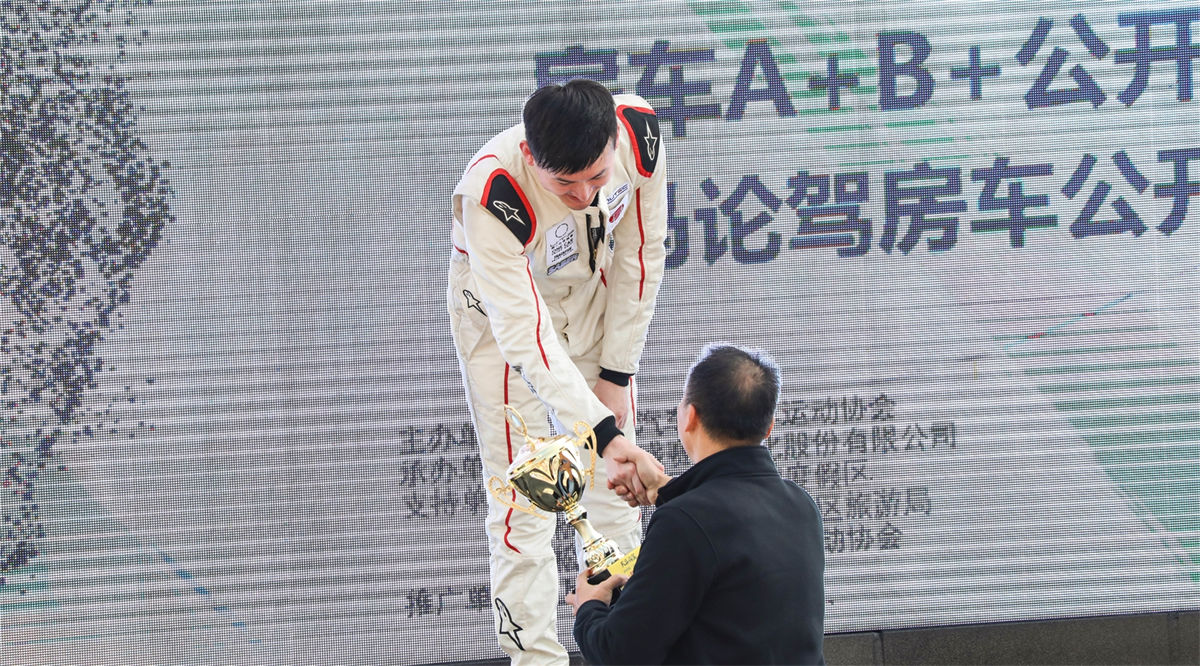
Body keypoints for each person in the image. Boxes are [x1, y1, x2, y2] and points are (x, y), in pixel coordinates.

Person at [446, 79, 669, 663]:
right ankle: (536, 658)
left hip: (589, 296)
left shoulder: (639, 134)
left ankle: (626, 647)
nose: (583, 195)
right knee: (523, 501)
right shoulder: (493, 192)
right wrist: (600, 429)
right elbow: (525, 333)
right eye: (564, 184)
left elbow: (642, 255)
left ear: (613, 141)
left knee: (617, 484)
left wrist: (616, 375)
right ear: (531, 156)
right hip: (499, 322)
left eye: (596, 177)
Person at [568, 343, 826, 665]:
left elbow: (620, 653)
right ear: (769, 427)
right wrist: (666, 490)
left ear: (689, 416)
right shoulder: (801, 505)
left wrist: (589, 607)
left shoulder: (683, 522)